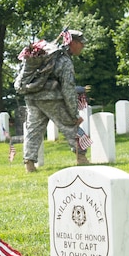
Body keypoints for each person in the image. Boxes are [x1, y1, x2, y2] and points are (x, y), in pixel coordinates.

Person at [22, 29, 90, 172]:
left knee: (33, 129)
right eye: (81, 43)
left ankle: (29, 163)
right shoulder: (64, 60)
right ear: (73, 43)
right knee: (71, 125)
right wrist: (74, 114)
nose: (83, 46)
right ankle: (82, 158)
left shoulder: (47, 56)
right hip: (50, 98)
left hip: (32, 96)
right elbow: (68, 89)